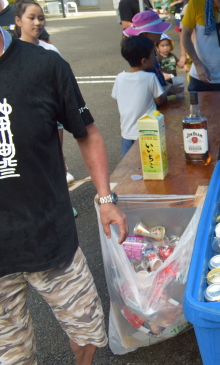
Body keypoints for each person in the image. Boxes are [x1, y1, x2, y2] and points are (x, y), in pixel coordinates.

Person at [0, 23, 128, 365]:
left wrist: (104, 199)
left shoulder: (45, 65)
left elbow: (87, 133)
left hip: (50, 237)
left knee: (86, 333)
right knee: (12, 356)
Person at [14, 0, 77, 217]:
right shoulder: (11, 53)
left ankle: (62, 203)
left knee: (55, 157)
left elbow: (65, 86)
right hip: (23, 119)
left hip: (52, 116)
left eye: (41, 18)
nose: (37, 23)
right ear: (18, 21)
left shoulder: (51, 51)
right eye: (31, 18)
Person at [113, 36, 166, 156]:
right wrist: (168, 90)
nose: (155, 56)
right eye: (153, 54)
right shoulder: (150, 77)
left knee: (129, 166)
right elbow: (159, 100)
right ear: (144, 61)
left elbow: (118, 101)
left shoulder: (120, 77)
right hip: (147, 132)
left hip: (126, 132)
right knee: (150, 163)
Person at [123, 10, 174, 97]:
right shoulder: (143, 52)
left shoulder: (151, 48)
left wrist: (167, 86)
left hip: (161, 92)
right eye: (157, 30)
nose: (161, 33)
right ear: (146, 34)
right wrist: (167, 89)